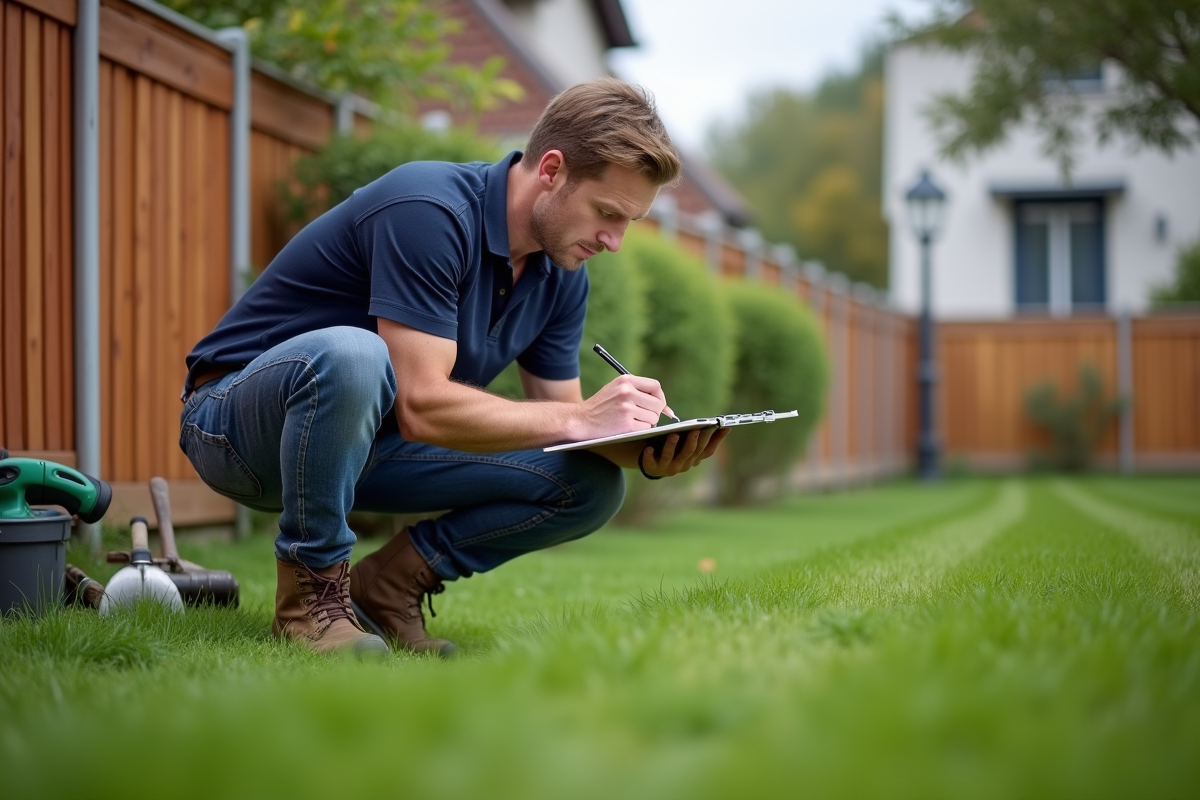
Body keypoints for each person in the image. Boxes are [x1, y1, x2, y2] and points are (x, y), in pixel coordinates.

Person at [178, 78, 729, 658]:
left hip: (363, 447)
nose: (614, 241)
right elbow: (423, 405)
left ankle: (388, 586)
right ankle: (310, 604)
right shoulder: (431, 209)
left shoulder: (561, 274)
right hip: (237, 429)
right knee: (354, 353)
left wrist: (652, 446)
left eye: (628, 223)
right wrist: (582, 420)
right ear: (551, 169)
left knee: (588, 484)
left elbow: (566, 430)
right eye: (607, 213)